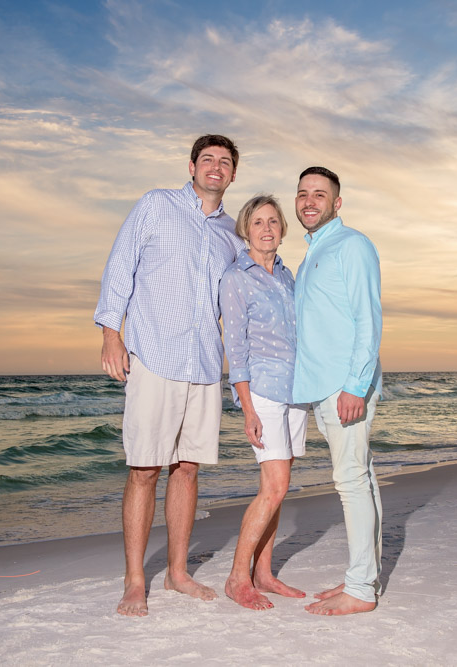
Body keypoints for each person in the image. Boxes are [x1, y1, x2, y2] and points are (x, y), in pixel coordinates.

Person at [93, 134, 244, 617]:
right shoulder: (156, 205)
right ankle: (135, 579)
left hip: (203, 362)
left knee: (188, 468)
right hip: (154, 356)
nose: (215, 168)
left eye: (224, 162)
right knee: (143, 468)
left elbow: (242, 296)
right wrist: (110, 334)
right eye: (208, 160)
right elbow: (120, 266)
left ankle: (178, 573)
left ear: (233, 174)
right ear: (192, 165)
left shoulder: (232, 234)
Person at [292, 166, 383, 616]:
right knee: (360, 477)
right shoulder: (313, 254)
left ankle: (361, 589)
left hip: (344, 387)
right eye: (303, 193)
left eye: (320, 194)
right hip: (323, 387)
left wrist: (355, 386)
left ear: (337, 203)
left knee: (350, 482)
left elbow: (368, 320)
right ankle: (364, 578)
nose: (310, 201)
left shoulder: (352, 245)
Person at [219, 194, 308, 610]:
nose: (267, 228)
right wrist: (247, 408)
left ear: (282, 229)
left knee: (277, 490)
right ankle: (238, 577)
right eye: (258, 222)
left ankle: (264, 572)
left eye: (273, 221)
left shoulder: (289, 278)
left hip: (295, 392)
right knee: (274, 487)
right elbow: (235, 348)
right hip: (265, 394)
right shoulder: (237, 278)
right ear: (245, 230)